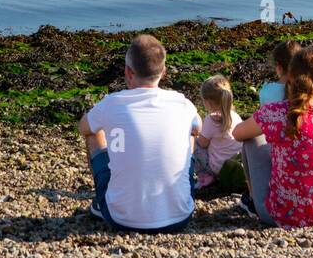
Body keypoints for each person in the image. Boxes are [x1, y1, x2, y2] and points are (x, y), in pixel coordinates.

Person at [78, 34, 200, 233]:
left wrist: (116, 136)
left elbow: (84, 127)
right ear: (164, 72)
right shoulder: (182, 103)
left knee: (94, 133)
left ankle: (103, 203)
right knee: (190, 134)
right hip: (179, 217)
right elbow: (198, 129)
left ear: (128, 72)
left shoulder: (112, 103)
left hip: (121, 219)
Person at [232, 47, 313, 229]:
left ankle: (252, 201)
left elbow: (237, 133)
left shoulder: (276, 112)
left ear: (289, 77)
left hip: (285, 217)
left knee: (252, 140)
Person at [238, 40, 302, 220]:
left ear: (278, 68)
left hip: (277, 155)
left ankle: (252, 197)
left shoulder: (267, 92)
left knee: (251, 138)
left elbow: (241, 133)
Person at [193, 75, 242, 189]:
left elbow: (203, 144)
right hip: (232, 164)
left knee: (193, 144)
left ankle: (205, 175)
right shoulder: (236, 116)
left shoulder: (211, 119)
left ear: (208, 102)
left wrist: (196, 135)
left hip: (217, 168)